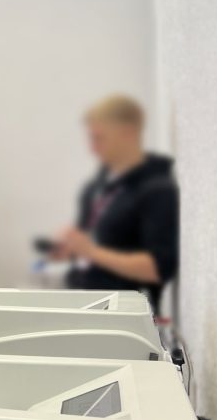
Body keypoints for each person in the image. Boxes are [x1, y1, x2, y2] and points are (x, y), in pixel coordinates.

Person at [52, 95, 179, 312]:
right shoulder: (96, 186)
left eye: (99, 138)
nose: (92, 148)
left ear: (128, 133)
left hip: (123, 317)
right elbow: (90, 243)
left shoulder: (157, 190)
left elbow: (158, 268)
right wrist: (70, 249)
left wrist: (91, 252)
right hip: (86, 304)